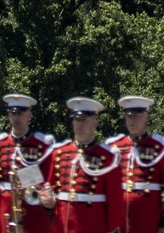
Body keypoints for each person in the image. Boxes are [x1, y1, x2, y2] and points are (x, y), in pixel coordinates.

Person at [49, 96, 125, 233]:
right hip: (61, 227)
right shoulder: (59, 152)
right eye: (77, 120)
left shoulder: (109, 157)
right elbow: (49, 189)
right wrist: (46, 200)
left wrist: (113, 229)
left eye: (84, 120)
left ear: (95, 123)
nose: (80, 124)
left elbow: (115, 202)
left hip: (91, 226)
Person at [105, 96, 164, 233]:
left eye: (137, 116)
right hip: (118, 217)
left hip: (147, 217)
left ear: (146, 117)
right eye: (129, 116)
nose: (133, 120)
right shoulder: (113, 147)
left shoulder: (161, 148)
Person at [0, 94, 55, 233]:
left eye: (21, 113)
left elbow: (49, 177)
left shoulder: (42, 144)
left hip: (34, 206)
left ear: (29, 115)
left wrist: (27, 185)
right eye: (13, 113)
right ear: (8, 116)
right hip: (5, 207)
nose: (16, 117)